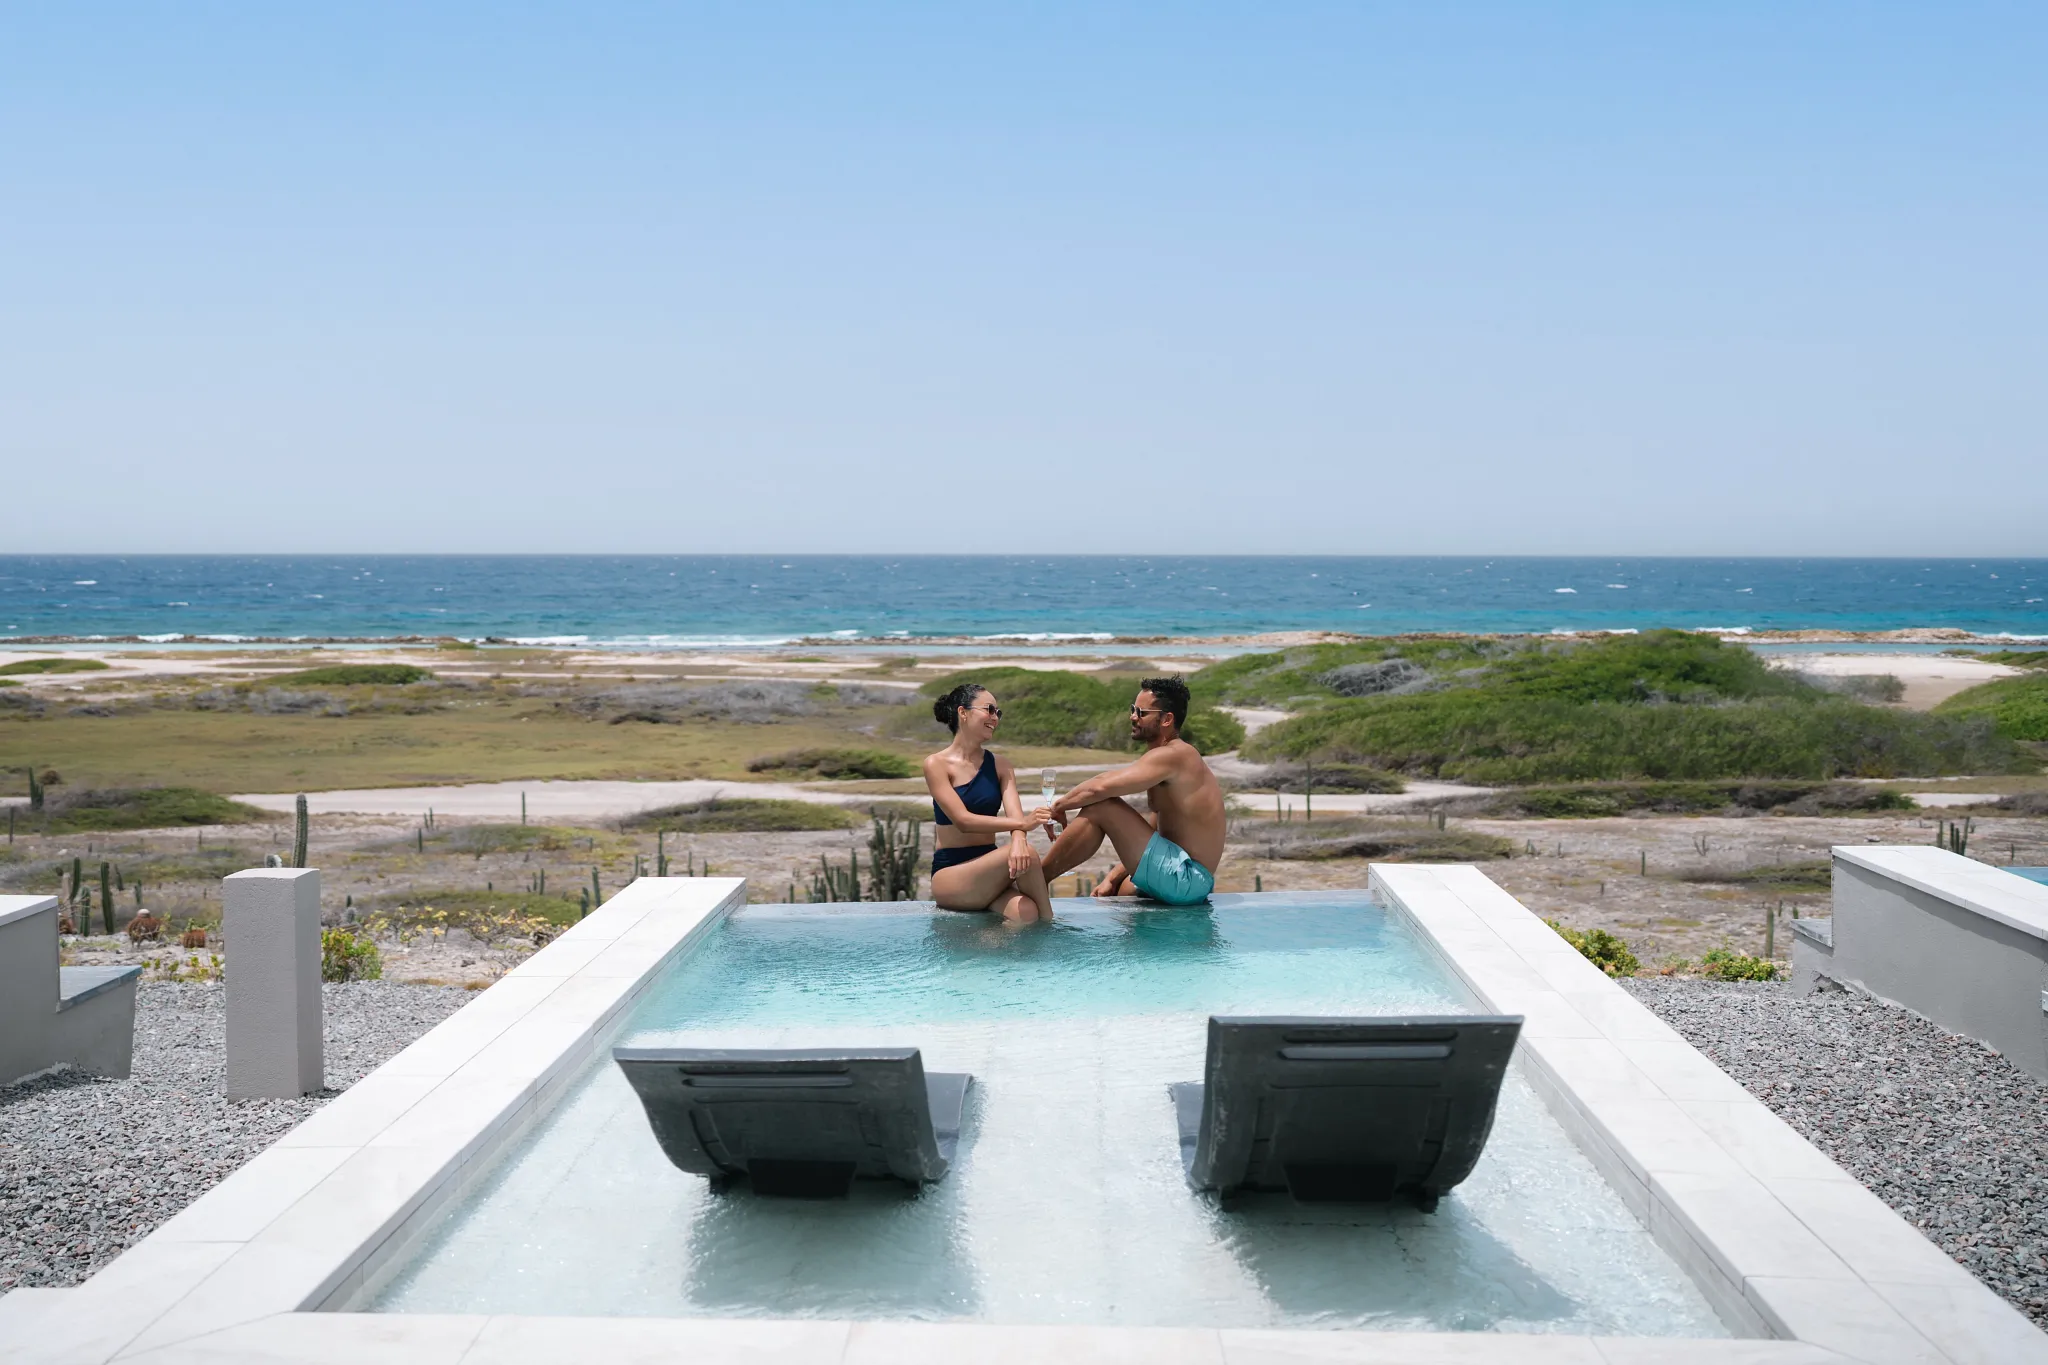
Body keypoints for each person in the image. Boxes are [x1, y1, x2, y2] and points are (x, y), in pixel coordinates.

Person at [1041, 677, 1225, 904]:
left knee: (1103, 805)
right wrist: (1112, 876)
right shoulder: (1168, 758)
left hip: (1188, 878)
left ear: (1167, 719)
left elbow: (1102, 786)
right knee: (1122, 889)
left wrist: (1060, 806)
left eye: (1141, 712)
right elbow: (1155, 827)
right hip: (1186, 876)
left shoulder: (1176, 755)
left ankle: (1036, 881)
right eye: (1132, 709)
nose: (1133, 717)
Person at [923, 682, 1057, 924]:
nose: (995, 718)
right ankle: (1052, 927)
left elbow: (1016, 818)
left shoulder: (1001, 765)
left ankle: (990, 953)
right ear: (963, 712)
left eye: (998, 712)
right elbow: (963, 821)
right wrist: (1023, 826)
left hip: (991, 869)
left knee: (1025, 912)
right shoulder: (936, 764)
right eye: (989, 710)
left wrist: (1019, 837)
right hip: (952, 874)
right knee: (1031, 855)